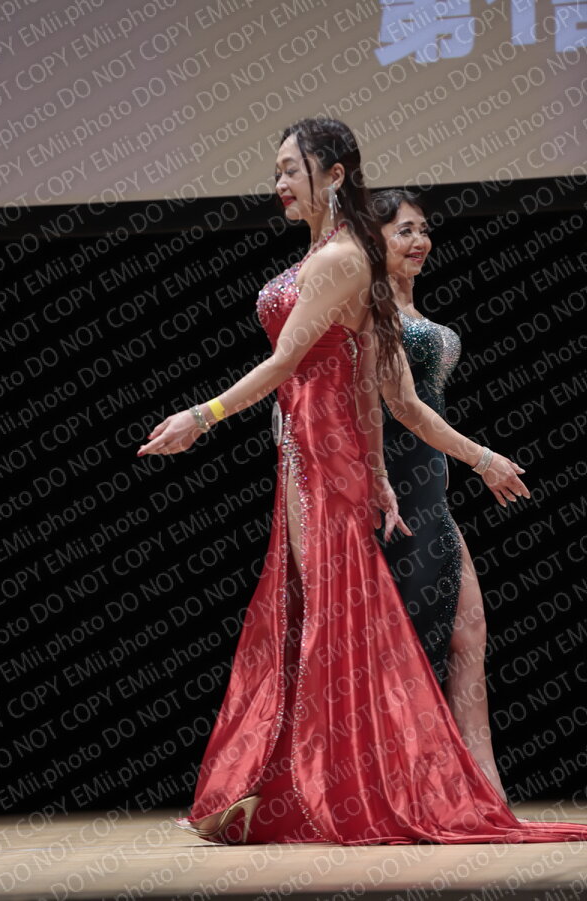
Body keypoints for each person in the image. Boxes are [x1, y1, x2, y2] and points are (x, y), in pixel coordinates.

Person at [137, 118, 587, 846]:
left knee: (332, 621)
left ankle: (339, 789)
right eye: (277, 171)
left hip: (323, 459)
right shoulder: (335, 255)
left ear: (335, 173)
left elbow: (293, 364)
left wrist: (203, 414)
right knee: (312, 615)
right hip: (312, 453)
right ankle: (301, 783)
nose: (280, 183)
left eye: (292, 169)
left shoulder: (345, 257)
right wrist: (378, 470)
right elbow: (371, 382)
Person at [370, 189, 516, 802]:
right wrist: (480, 458)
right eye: (403, 231)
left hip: (432, 487)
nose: (419, 241)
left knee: (469, 633)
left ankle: (483, 792)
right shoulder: (368, 309)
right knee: (400, 644)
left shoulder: (408, 308)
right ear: (373, 239)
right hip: (393, 490)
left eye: (423, 230)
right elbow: (402, 409)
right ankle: (406, 791)